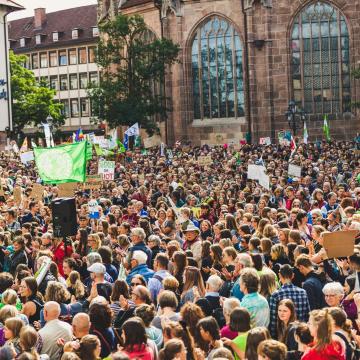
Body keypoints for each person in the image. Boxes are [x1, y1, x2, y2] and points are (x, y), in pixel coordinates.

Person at [269, 264, 310, 338]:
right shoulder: (303, 292)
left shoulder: (275, 295)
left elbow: (273, 321)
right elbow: (307, 315)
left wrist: (274, 337)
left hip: (283, 335)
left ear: (279, 276)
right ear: (293, 276)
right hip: (300, 333)